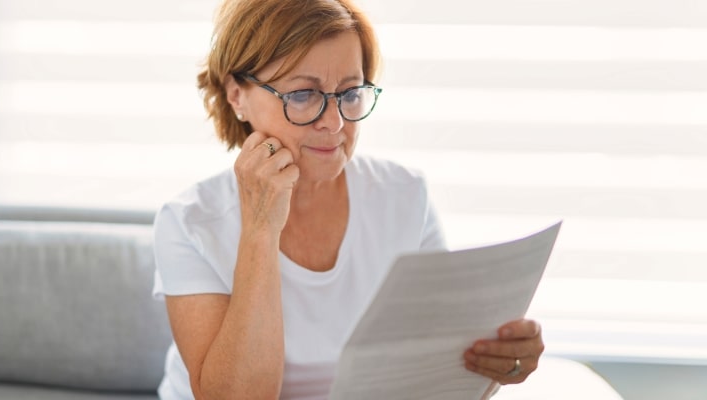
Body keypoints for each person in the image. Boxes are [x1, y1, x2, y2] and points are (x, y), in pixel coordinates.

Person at [152, 0, 545, 398]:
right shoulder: (188, 223)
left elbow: (434, 371)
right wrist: (259, 228)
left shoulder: (405, 196)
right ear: (237, 95)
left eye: (350, 92)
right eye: (303, 94)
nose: (335, 123)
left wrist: (494, 365)